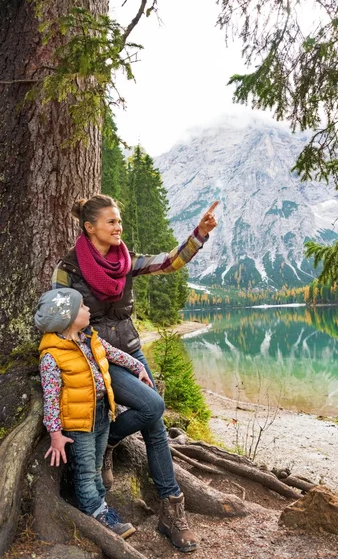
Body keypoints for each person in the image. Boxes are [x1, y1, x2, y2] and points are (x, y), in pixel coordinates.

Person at [51, 193, 218, 553]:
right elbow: (58, 318)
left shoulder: (124, 260)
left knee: (155, 424)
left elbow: (169, 262)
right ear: (90, 226)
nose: (118, 226)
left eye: (120, 220)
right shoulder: (68, 268)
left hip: (130, 349)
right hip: (96, 354)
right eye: (111, 222)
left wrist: (198, 236)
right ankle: (110, 439)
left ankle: (171, 512)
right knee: (152, 407)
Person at [35, 287, 155, 538]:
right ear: (66, 318)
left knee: (98, 463)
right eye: (81, 307)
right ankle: (94, 510)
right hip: (79, 424)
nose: (88, 308)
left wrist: (138, 367)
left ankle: (101, 504)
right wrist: (55, 434)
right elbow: (51, 397)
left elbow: (115, 354)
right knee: (87, 469)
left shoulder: (90, 339)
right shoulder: (52, 357)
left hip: (101, 414)